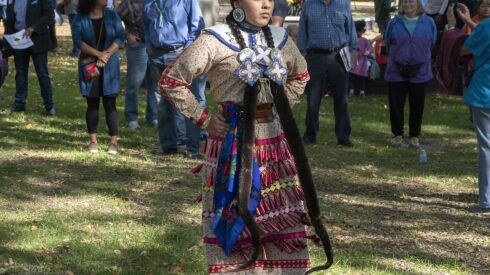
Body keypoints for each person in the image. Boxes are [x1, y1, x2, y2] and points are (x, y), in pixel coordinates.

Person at [159, 0, 335, 272]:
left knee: (281, 216)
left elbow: (301, 74)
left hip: (274, 147)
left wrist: (277, 107)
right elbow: (172, 81)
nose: (267, 4)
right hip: (232, 145)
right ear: (237, 2)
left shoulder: (279, 39)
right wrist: (203, 118)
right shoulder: (214, 40)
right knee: (234, 215)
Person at [143, 0, 204, 157]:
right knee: (163, 103)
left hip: (180, 54)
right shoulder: (149, 2)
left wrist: (187, 49)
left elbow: (197, 25)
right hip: (157, 55)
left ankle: (193, 148)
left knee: (188, 102)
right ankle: (168, 145)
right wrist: (149, 45)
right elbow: (146, 24)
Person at [298, 0, 358, 147]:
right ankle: (310, 134)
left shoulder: (343, 4)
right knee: (313, 98)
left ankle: (343, 136)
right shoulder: (309, 4)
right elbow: (302, 31)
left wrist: (354, 50)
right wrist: (301, 53)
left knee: (341, 98)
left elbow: (350, 29)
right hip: (314, 56)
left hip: (338, 55)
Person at [449, 3, 490, 213]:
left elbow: (465, 49)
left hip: (484, 92)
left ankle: (486, 200)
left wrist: (457, 29)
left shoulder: (485, 27)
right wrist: (469, 22)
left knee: (486, 147)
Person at [72, 0, 124, 154]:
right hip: (89, 66)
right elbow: (78, 42)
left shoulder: (112, 15)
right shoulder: (79, 18)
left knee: (110, 103)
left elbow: (119, 37)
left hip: (110, 66)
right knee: (92, 103)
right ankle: (93, 141)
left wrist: (106, 55)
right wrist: (98, 55)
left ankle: (113, 142)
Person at [385, 0, 436, 147]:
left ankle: (414, 135)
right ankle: (397, 134)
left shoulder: (429, 22)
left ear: (419, 3)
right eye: (404, 2)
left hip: (420, 71)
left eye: (411, 1)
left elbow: (431, 43)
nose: (408, 4)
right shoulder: (394, 23)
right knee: (396, 105)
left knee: (417, 105)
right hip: (396, 70)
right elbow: (389, 43)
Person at [2, 0, 57, 115]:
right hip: (18, 39)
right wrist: (8, 40)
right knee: (20, 72)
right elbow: (9, 20)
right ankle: (19, 103)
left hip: (38, 39)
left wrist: (34, 27)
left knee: (42, 73)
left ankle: (49, 105)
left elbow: (49, 16)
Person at [117, 0, 156, 129]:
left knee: (155, 83)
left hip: (156, 45)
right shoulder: (127, 3)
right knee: (134, 83)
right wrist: (127, 35)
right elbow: (113, 19)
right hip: (138, 45)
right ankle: (131, 118)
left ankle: (153, 116)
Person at [349, 20, 373, 98]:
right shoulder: (352, 39)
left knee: (362, 77)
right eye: (357, 31)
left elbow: (369, 48)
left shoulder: (365, 40)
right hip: (354, 58)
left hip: (362, 60)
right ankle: (351, 90)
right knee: (352, 76)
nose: (359, 33)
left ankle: (362, 91)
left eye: (361, 31)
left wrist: (367, 52)